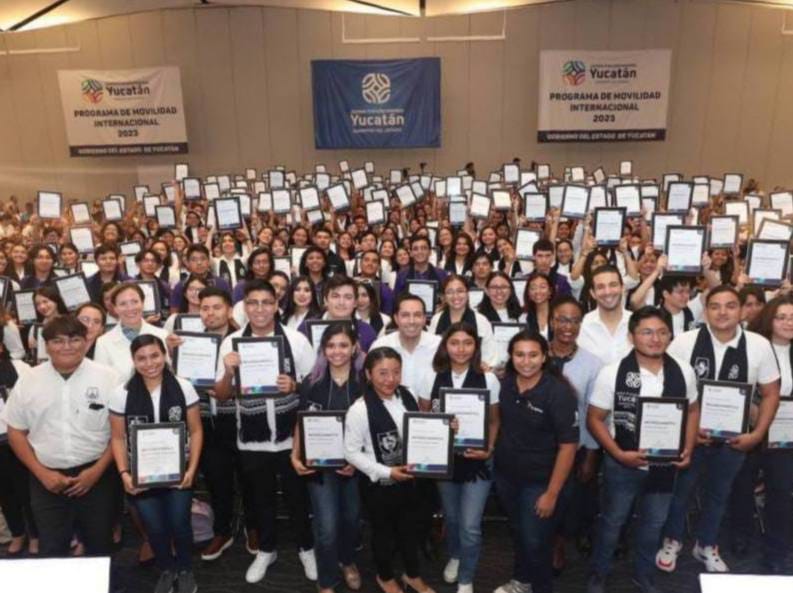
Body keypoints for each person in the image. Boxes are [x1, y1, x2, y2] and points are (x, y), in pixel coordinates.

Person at [656, 285, 781, 573]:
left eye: (730, 306)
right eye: (715, 306)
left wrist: (758, 434)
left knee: (719, 493)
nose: (722, 312)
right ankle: (672, 539)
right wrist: (687, 430)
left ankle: (706, 544)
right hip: (691, 436)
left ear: (740, 311)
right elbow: (669, 389)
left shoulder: (758, 345)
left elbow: (771, 392)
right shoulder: (685, 342)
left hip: (736, 439)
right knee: (681, 491)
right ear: (705, 310)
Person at [585, 307, 699, 593]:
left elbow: (693, 410)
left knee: (653, 525)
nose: (655, 338)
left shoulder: (683, 370)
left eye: (662, 332)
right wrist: (617, 453)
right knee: (612, 523)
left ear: (670, 335)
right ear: (632, 336)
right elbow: (594, 419)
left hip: (664, 466)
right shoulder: (612, 374)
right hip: (622, 463)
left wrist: (688, 446)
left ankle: (644, 575)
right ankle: (599, 572)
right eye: (647, 332)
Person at [213, 279, 318, 584]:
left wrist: (295, 386)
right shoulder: (231, 342)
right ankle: (267, 550)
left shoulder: (296, 340)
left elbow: (314, 386)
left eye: (266, 302)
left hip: (291, 438)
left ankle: (305, 546)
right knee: (261, 500)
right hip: (251, 438)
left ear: (276, 306)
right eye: (253, 303)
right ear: (245, 307)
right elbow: (220, 395)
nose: (260, 309)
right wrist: (230, 371)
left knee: (298, 499)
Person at [5, 316, 119, 557]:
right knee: (52, 548)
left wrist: (96, 472)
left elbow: (120, 432)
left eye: (74, 339)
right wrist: (41, 473)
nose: (67, 347)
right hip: (45, 477)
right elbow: (16, 430)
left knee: (100, 546)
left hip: (97, 475)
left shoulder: (109, 378)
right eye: (58, 341)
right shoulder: (29, 380)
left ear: (86, 341)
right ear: (46, 345)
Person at [109, 335, 203, 593]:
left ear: (165, 355)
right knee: (155, 527)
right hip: (140, 475)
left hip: (179, 472)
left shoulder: (183, 387)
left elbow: (196, 431)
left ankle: (184, 569)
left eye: (155, 356)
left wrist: (192, 470)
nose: (149, 363)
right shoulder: (122, 393)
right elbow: (117, 438)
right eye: (142, 358)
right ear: (133, 361)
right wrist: (124, 474)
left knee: (180, 523)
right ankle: (166, 568)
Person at [344, 347, 436, 593]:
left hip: (410, 480)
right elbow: (351, 453)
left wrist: (447, 429)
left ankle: (412, 574)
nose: (390, 379)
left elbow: (419, 432)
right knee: (383, 534)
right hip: (380, 485)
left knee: (410, 530)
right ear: (368, 374)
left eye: (396, 372)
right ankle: (384, 577)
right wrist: (387, 472)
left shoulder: (407, 395)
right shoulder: (359, 409)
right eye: (382, 373)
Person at [493, 330, 578, 593]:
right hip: (507, 476)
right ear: (510, 357)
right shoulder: (505, 384)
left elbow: (568, 446)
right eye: (519, 354)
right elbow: (495, 422)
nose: (526, 361)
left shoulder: (558, 392)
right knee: (519, 534)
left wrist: (552, 493)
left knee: (537, 543)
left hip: (541, 481)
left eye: (533, 355)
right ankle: (521, 580)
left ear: (544, 357)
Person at [418, 322, 501, 593]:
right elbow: (424, 417)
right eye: (455, 343)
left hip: (478, 461)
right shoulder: (431, 376)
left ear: (475, 346)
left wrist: (488, 448)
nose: (461, 349)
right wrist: (440, 424)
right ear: (445, 346)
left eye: (467, 343)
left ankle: (466, 578)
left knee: (470, 525)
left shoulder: (488, 378)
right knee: (452, 518)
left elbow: (494, 420)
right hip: (445, 461)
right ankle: (455, 554)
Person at [292, 324, 364, 593]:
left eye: (343, 345)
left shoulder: (364, 383)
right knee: (327, 526)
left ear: (354, 347)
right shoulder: (312, 383)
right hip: (320, 468)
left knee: (352, 520)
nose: (337, 351)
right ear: (323, 349)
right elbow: (302, 423)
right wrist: (295, 454)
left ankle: (347, 561)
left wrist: (357, 461)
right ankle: (326, 581)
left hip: (356, 466)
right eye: (331, 346)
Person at [546, 296, 602, 571]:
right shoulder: (535, 354)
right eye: (562, 319)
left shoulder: (592, 364)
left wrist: (591, 454)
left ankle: (558, 543)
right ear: (551, 321)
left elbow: (593, 414)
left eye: (575, 320)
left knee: (567, 501)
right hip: (537, 448)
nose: (568, 326)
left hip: (574, 448)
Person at [744, 295, 793, 573]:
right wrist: (756, 414)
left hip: (787, 434)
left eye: (792, 316)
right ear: (770, 319)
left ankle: (778, 548)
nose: (789, 322)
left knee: (781, 491)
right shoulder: (757, 349)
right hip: (755, 429)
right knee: (752, 488)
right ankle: (755, 544)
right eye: (782, 316)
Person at [0, 329, 36, 556]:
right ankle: (17, 533)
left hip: (19, 439)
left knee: (26, 491)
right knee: (4, 493)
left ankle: (35, 534)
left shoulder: (21, 369)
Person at [370, 294, 442, 397]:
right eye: (405, 315)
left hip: (430, 411)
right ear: (396, 318)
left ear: (424, 319)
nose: (411, 321)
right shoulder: (380, 346)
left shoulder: (439, 346)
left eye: (417, 315)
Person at [95, 283, 170, 380]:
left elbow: (168, 374)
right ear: (115, 308)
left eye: (135, 302)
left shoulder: (162, 335)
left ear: (143, 303)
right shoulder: (103, 342)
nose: (130, 308)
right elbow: (101, 382)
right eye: (123, 304)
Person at [428, 275, 497, 368]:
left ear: (468, 293)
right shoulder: (436, 319)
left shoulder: (481, 321)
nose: (455, 296)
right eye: (450, 292)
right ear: (444, 296)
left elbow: (489, 355)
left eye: (460, 291)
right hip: (443, 373)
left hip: (473, 374)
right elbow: (431, 351)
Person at [578, 265, 632, 365]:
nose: (607, 292)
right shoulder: (582, 326)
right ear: (593, 293)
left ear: (623, 288)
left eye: (613, 285)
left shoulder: (637, 323)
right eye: (600, 287)